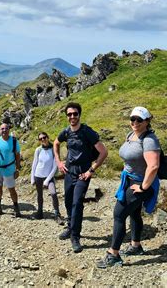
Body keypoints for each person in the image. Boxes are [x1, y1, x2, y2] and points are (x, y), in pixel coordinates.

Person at [96, 106, 161, 268]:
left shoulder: (149, 140)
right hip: (130, 180)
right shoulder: (131, 135)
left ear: (147, 121)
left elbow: (153, 166)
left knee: (119, 214)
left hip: (141, 183)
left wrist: (144, 188)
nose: (135, 122)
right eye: (133, 119)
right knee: (134, 213)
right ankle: (136, 246)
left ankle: (113, 255)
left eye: (139, 120)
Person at [54, 102, 108, 253]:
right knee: (68, 201)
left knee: (77, 203)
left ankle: (75, 237)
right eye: (69, 114)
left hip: (83, 174)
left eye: (75, 114)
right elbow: (56, 143)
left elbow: (103, 152)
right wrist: (59, 161)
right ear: (67, 116)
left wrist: (91, 170)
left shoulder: (87, 132)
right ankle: (70, 227)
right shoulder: (66, 132)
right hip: (69, 171)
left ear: (79, 115)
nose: (72, 116)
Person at [0, 123, 22, 217]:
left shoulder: (14, 141)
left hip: (9, 169)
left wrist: (17, 169)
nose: (4, 130)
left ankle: (16, 207)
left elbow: (17, 156)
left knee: (11, 189)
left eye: (6, 128)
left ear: (9, 130)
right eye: (2, 129)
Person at [31, 132, 63, 224]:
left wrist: (47, 180)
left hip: (48, 177)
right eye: (40, 139)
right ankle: (40, 212)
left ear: (48, 137)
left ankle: (57, 214)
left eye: (44, 137)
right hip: (38, 175)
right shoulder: (38, 150)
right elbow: (34, 164)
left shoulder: (54, 149)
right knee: (39, 194)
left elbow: (55, 166)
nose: (43, 140)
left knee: (53, 193)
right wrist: (32, 178)